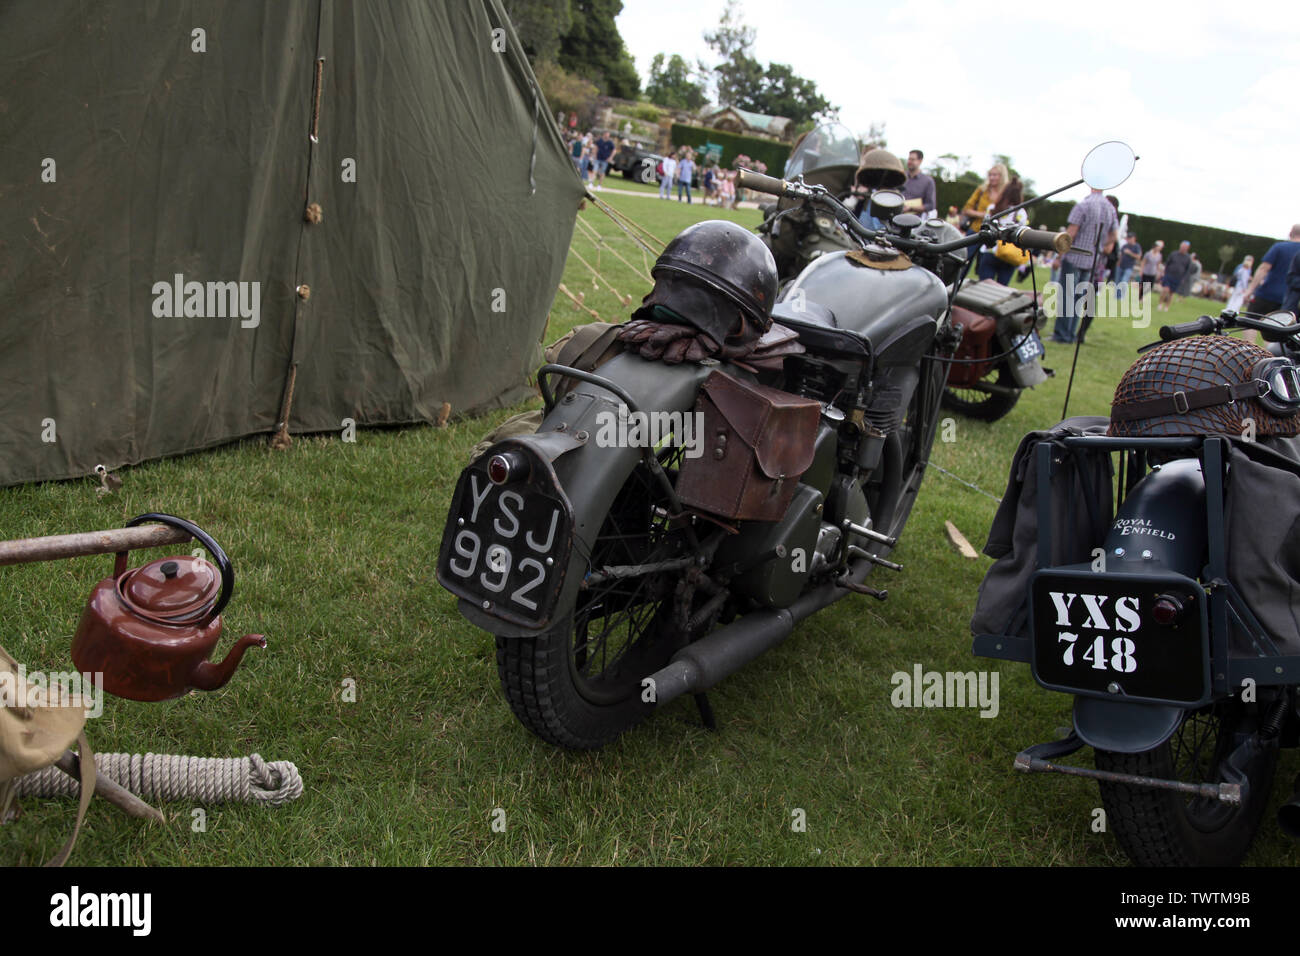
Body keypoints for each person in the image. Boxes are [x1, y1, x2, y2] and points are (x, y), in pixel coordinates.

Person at [1051, 184, 1118, 344]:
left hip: (1074, 255)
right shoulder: (1110, 209)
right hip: (1092, 259)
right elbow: (1114, 236)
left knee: (1067, 296)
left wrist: (1059, 256)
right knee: (1079, 298)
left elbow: (1070, 234)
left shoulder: (1084, 205)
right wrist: (1099, 245)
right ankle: (1071, 334)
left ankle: (1061, 334)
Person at [975, 179, 1027, 284]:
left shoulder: (993, 208)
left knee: (983, 286)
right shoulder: (1021, 212)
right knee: (1001, 289)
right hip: (1009, 255)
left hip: (990, 251)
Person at [1244, 224, 1300, 314]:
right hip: (1291, 300)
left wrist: (1250, 289)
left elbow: (1263, 269)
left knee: (1252, 325)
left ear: (1290, 233)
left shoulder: (1279, 247)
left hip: (1267, 294)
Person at [1157, 241, 1193, 312]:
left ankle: (1167, 307)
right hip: (1169, 275)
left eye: (1185, 247)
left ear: (1187, 248)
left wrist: (1183, 278)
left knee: (1171, 293)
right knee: (1165, 290)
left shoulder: (1188, 258)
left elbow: (1187, 269)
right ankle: (1160, 304)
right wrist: (1164, 273)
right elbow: (1167, 264)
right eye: (1182, 246)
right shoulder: (1173, 254)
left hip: (1178, 277)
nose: (1183, 248)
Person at [902, 149, 937, 218]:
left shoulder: (928, 181)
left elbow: (930, 205)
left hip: (915, 222)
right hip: (896, 219)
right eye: (909, 159)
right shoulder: (901, 177)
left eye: (912, 159)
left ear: (920, 161)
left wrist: (911, 208)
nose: (909, 162)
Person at [1115, 232, 1141, 298]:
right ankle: (1117, 296)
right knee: (1117, 281)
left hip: (1129, 267)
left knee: (1124, 280)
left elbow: (1138, 257)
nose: (1129, 239)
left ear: (1134, 238)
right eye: (1128, 238)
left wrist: (1130, 253)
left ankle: (1121, 296)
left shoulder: (1137, 246)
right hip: (1120, 266)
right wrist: (1118, 263)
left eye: (1130, 238)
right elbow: (1121, 255)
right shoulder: (1125, 246)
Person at [1138, 239, 1163, 305]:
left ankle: (1143, 297)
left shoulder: (1159, 255)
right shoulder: (1148, 253)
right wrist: (1141, 270)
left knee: (1149, 286)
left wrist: (1158, 273)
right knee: (1144, 285)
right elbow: (1143, 262)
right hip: (1146, 272)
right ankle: (1140, 297)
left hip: (1153, 273)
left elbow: (1158, 264)